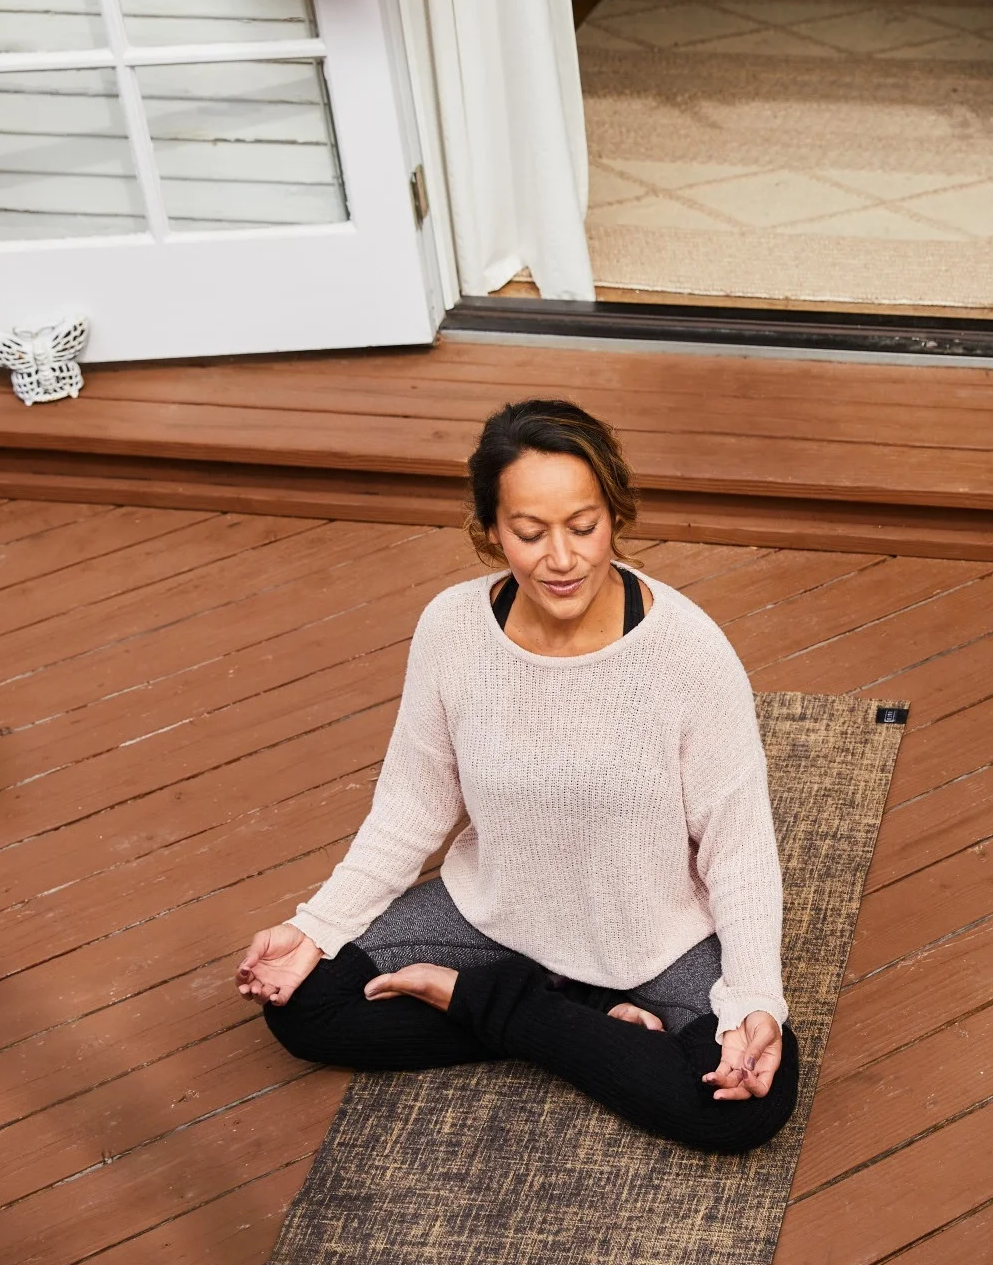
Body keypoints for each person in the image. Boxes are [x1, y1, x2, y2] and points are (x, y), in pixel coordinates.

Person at [234, 398, 796, 1154]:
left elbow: (739, 847)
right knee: (304, 1006)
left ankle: (487, 1006)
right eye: (529, 534)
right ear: (492, 530)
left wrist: (755, 996)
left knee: (742, 1104)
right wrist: (316, 927)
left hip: (653, 935)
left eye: (583, 526)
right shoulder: (451, 628)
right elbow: (413, 804)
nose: (560, 559)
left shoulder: (689, 652)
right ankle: (583, 1028)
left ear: (615, 516)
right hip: (495, 918)